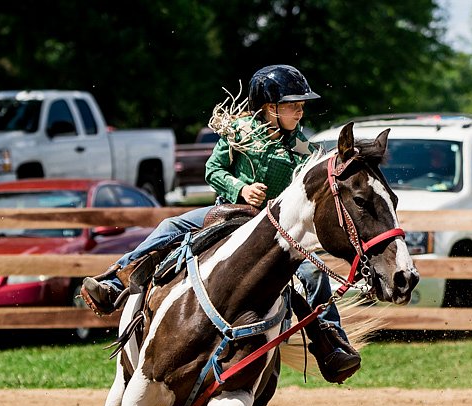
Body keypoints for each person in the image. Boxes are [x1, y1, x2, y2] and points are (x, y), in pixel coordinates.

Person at [80, 64, 361, 383]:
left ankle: (334, 344)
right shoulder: (238, 133)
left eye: (301, 106)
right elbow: (213, 170)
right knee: (171, 226)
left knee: (312, 271)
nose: (300, 112)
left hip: (275, 229)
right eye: (293, 105)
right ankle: (113, 284)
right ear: (270, 108)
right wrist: (241, 189)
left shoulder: (305, 150)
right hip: (228, 214)